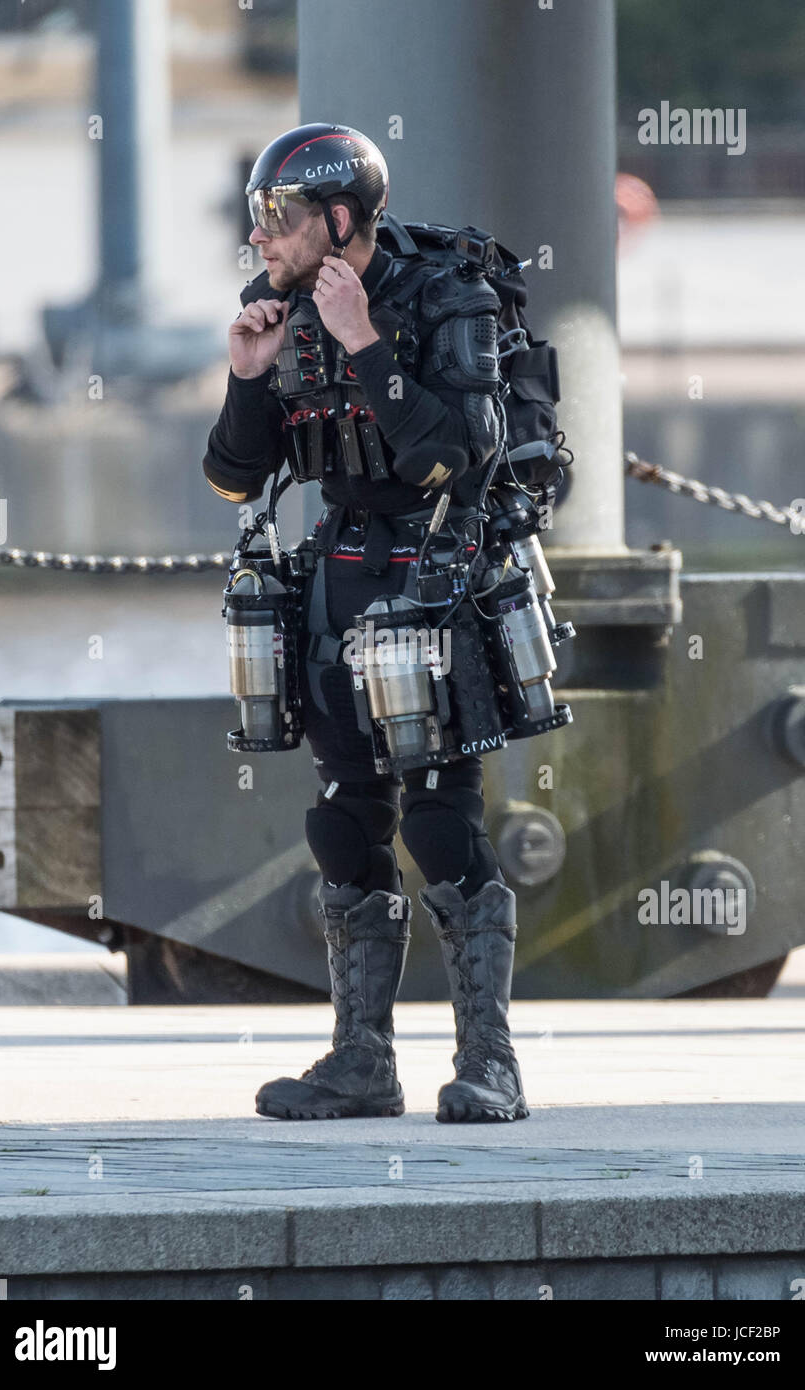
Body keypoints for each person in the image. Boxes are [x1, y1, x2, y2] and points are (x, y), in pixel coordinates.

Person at [203, 122, 529, 1124]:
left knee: (440, 817)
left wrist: (366, 347)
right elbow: (231, 476)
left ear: (339, 220)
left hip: (434, 570)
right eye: (259, 216)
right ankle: (361, 1062)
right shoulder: (280, 311)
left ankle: (491, 1065)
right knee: (342, 820)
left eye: (281, 217)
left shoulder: (448, 298)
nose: (261, 237)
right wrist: (248, 376)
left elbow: (460, 453)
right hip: (337, 572)